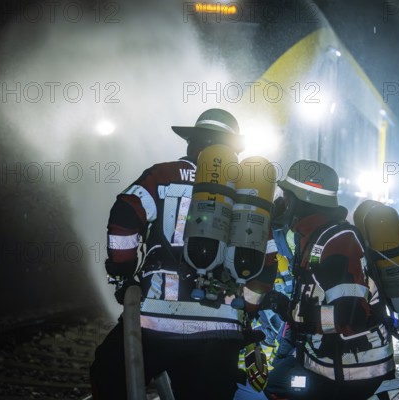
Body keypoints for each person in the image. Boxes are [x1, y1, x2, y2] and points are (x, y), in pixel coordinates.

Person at [90, 108, 278, 400]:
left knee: (108, 373)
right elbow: (267, 266)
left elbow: (124, 215)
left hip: (157, 322)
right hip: (220, 330)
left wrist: (123, 273)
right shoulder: (248, 195)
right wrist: (247, 307)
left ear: (191, 142)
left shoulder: (163, 175)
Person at [263, 159, 396, 400]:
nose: (282, 202)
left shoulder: (338, 241)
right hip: (333, 357)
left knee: (278, 386)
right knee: (280, 377)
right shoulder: (314, 236)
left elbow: (347, 316)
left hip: (352, 366)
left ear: (304, 199)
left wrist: (291, 311)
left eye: (287, 196)